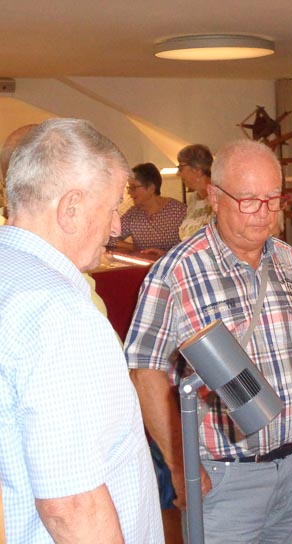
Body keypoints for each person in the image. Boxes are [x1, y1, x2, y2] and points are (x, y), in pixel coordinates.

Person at [125, 139, 292, 543]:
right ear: (215, 197)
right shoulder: (176, 272)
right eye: (250, 200)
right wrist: (179, 465)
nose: (265, 213)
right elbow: (145, 373)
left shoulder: (290, 261)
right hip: (223, 479)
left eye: (274, 199)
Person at [0, 118, 163, 543]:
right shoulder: (58, 311)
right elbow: (71, 505)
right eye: (112, 208)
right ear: (70, 208)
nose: (116, 226)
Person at [108, 162, 186, 258]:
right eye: (129, 187)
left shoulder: (178, 211)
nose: (129, 192)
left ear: (151, 188)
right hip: (145, 265)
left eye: (134, 187)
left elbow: (191, 246)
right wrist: (134, 248)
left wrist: (165, 254)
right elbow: (109, 237)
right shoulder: (133, 214)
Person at [177, 143, 214, 240]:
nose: (178, 174)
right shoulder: (193, 199)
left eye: (180, 168)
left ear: (197, 170)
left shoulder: (218, 197)